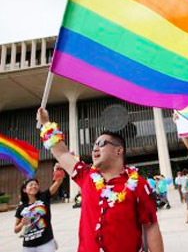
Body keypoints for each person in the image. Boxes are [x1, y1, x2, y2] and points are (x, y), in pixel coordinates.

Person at [36, 108, 164, 252]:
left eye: (101, 144)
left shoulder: (139, 184)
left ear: (119, 150)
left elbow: (151, 226)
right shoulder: (86, 175)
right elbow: (61, 152)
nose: (95, 149)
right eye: (94, 145)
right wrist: (46, 123)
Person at [14, 165, 65, 252]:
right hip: (28, 246)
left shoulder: (44, 197)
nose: (34, 186)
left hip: (46, 243)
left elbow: (58, 182)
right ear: (24, 190)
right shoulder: (21, 208)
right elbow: (16, 230)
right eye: (31, 185)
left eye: (36, 184)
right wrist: (22, 223)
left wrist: (57, 170)